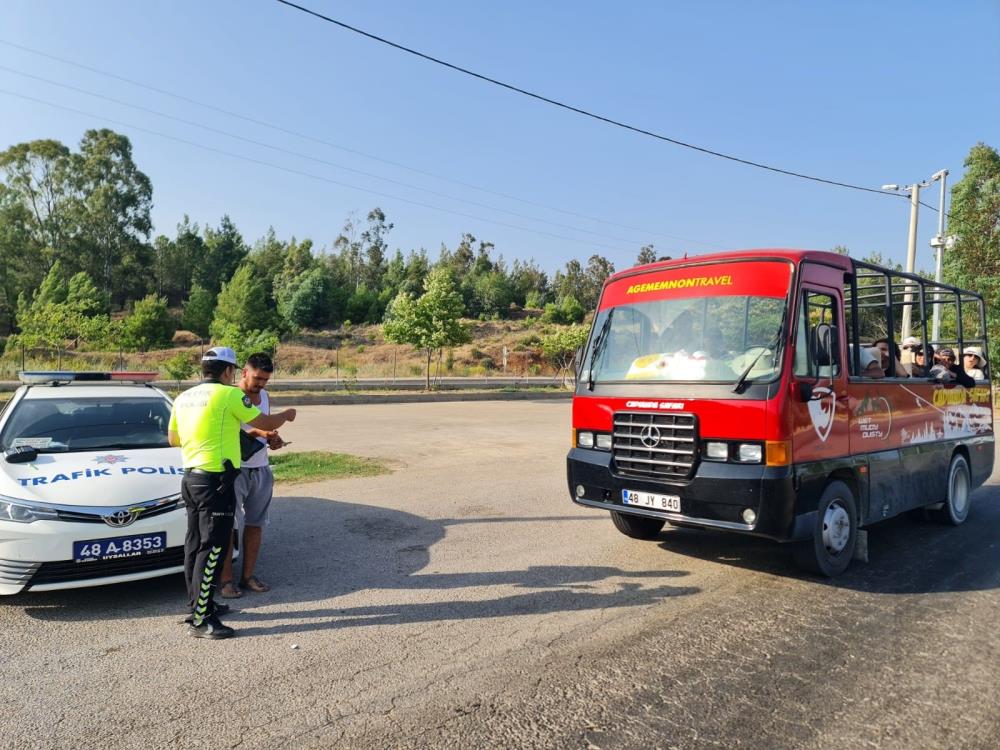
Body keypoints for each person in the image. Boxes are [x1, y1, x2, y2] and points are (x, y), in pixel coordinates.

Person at [168, 347, 296, 640]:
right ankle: (202, 619)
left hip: (191, 478)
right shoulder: (228, 395)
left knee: (194, 544)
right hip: (218, 480)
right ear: (229, 371)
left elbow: (173, 438)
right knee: (212, 548)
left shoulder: (183, 397)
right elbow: (264, 423)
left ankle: (200, 604)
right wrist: (286, 416)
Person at [220, 352, 286, 599]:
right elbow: (234, 435)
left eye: (266, 380)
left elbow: (266, 429)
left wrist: (274, 440)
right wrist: (263, 432)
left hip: (260, 468)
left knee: (256, 523)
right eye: (257, 378)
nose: (261, 384)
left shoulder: (265, 396)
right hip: (234, 471)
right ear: (244, 372)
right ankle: (226, 580)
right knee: (228, 526)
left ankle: (248, 576)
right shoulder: (229, 396)